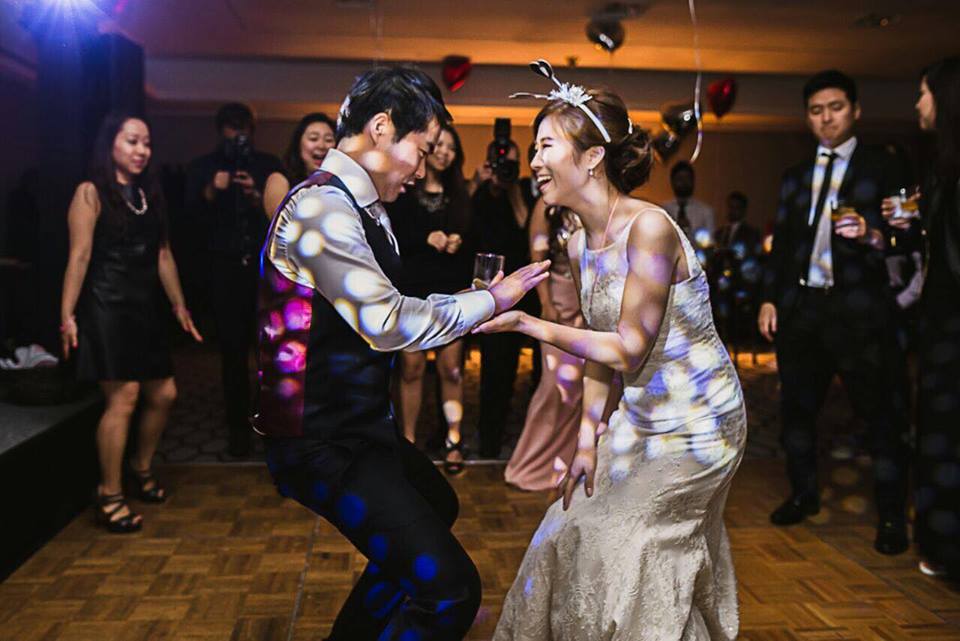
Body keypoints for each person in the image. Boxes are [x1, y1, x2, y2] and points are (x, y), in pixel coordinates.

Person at [253, 66, 550, 641]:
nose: (422, 167)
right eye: (423, 148)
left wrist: (469, 303)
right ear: (382, 128)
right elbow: (386, 322)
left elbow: (389, 305)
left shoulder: (367, 206)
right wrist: (488, 302)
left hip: (359, 427)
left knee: (437, 504)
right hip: (318, 439)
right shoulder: (322, 208)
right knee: (450, 593)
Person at [480, 61, 746, 640]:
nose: (533, 161)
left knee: (630, 540)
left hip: (698, 422)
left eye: (546, 146)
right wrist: (585, 441)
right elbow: (598, 350)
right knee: (565, 527)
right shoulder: (578, 243)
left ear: (592, 157)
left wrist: (527, 323)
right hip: (639, 416)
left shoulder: (650, 228)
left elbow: (627, 348)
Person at [758, 70, 910, 555]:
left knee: (880, 415)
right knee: (797, 410)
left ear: (856, 111)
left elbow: (907, 236)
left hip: (860, 311)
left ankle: (892, 516)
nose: (826, 119)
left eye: (836, 108)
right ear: (807, 117)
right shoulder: (795, 175)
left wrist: (871, 233)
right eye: (817, 111)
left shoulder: (884, 167)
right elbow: (782, 245)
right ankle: (803, 494)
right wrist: (770, 297)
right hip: (803, 309)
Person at [60, 112, 202, 533]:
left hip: (144, 307)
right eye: (132, 141)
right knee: (124, 397)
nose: (142, 150)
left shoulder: (147, 194)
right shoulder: (89, 192)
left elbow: (163, 254)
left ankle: (140, 466)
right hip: (106, 306)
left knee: (165, 393)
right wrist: (67, 314)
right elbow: (79, 256)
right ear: (111, 144)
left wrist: (179, 307)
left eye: (146, 143)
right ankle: (109, 493)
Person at [884, 56, 960, 578]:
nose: (917, 103)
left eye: (924, 93)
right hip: (941, 328)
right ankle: (941, 545)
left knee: (945, 435)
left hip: (951, 330)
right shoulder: (942, 172)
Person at [185, 102, 283, 457]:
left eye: (243, 128)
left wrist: (256, 196)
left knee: (270, 352)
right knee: (231, 353)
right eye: (231, 128)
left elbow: (282, 218)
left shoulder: (268, 166)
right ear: (220, 131)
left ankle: (270, 423)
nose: (237, 135)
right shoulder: (202, 167)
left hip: (263, 271)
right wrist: (212, 190)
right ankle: (237, 429)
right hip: (223, 271)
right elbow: (187, 221)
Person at [386, 123, 472, 473]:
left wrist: (459, 241)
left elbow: (476, 239)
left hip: (450, 291)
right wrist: (426, 238)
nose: (444, 152)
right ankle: (408, 442)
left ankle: (453, 440)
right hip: (412, 290)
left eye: (451, 148)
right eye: (439, 145)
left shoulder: (461, 193)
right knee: (411, 368)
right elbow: (393, 238)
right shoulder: (405, 189)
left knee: (452, 368)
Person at [504, 202, 584, 491]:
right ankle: (532, 464)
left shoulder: (590, 200)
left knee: (591, 385)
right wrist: (546, 302)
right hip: (560, 300)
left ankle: (577, 460)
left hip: (590, 298)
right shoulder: (547, 205)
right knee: (555, 386)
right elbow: (537, 258)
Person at [470, 139, 540, 458]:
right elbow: (467, 228)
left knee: (533, 373)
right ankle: (489, 443)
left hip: (526, 295)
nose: (505, 169)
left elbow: (527, 228)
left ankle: (529, 442)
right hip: (491, 295)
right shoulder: (481, 193)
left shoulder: (524, 191)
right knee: (494, 372)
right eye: (500, 163)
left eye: (512, 164)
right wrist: (480, 186)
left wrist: (510, 190)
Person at [263, 112, 337, 217]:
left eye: (329, 140)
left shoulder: (339, 183)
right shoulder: (280, 178)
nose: (321, 146)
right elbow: (280, 219)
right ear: (298, 144)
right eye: (313, 138)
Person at [663, 160, 715, 243]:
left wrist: (690, 232)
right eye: (680, 179)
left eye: (687, 178)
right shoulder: (664, 210)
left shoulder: (705, 211)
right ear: (672, 181)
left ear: (693, 181)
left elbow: (709, 243)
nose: (684, 182)